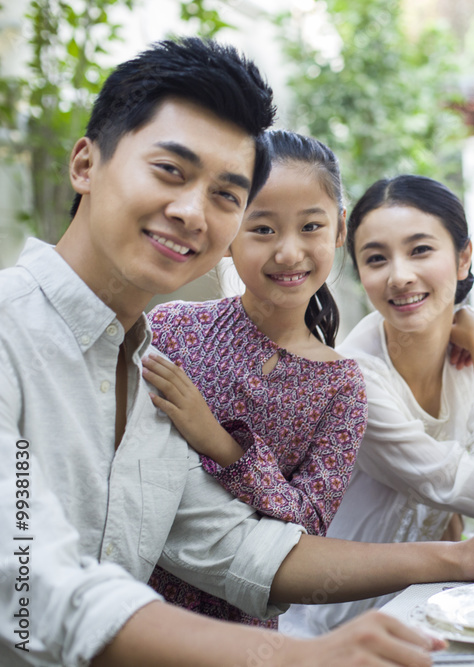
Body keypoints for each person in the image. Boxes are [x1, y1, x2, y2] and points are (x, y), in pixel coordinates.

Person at [0, 38, 474, 667]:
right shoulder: (16, 332)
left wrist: (457, 559)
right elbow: (28, 587)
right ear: (85, 164)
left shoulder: (145, 360)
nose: (191, 213)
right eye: (170, 171)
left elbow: (232, 544)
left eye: (226, 196)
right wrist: (294, 657)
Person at [281, 175, 474, 635]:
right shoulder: (356, 380)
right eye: (376, 259)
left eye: (420, 250)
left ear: (463, 258)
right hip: (343, 629)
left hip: (443, 610)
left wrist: (467, 475)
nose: (399, 275)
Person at [142, 129, 366, 627]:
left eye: (311, 226)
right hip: (133, 611)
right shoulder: (175, 329)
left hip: (241, 632)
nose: (288, 252)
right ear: (227, 233)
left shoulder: (342, 386)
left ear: (339, 229)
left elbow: (307, 528)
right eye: (262, 229)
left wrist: (220, 443)